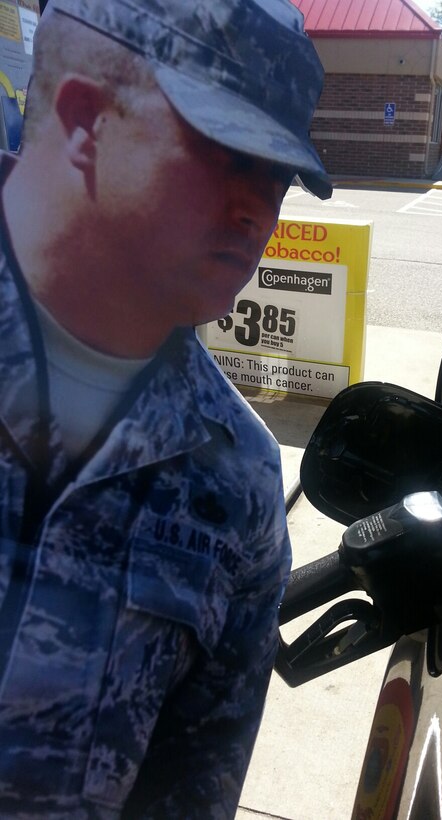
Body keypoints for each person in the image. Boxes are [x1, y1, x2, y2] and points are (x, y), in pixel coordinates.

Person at [0, 0, 331, 816]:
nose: (258, 212)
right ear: (86, 120)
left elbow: (191, 789)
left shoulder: (235, 476)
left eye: (278, 175)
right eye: (224, 152)